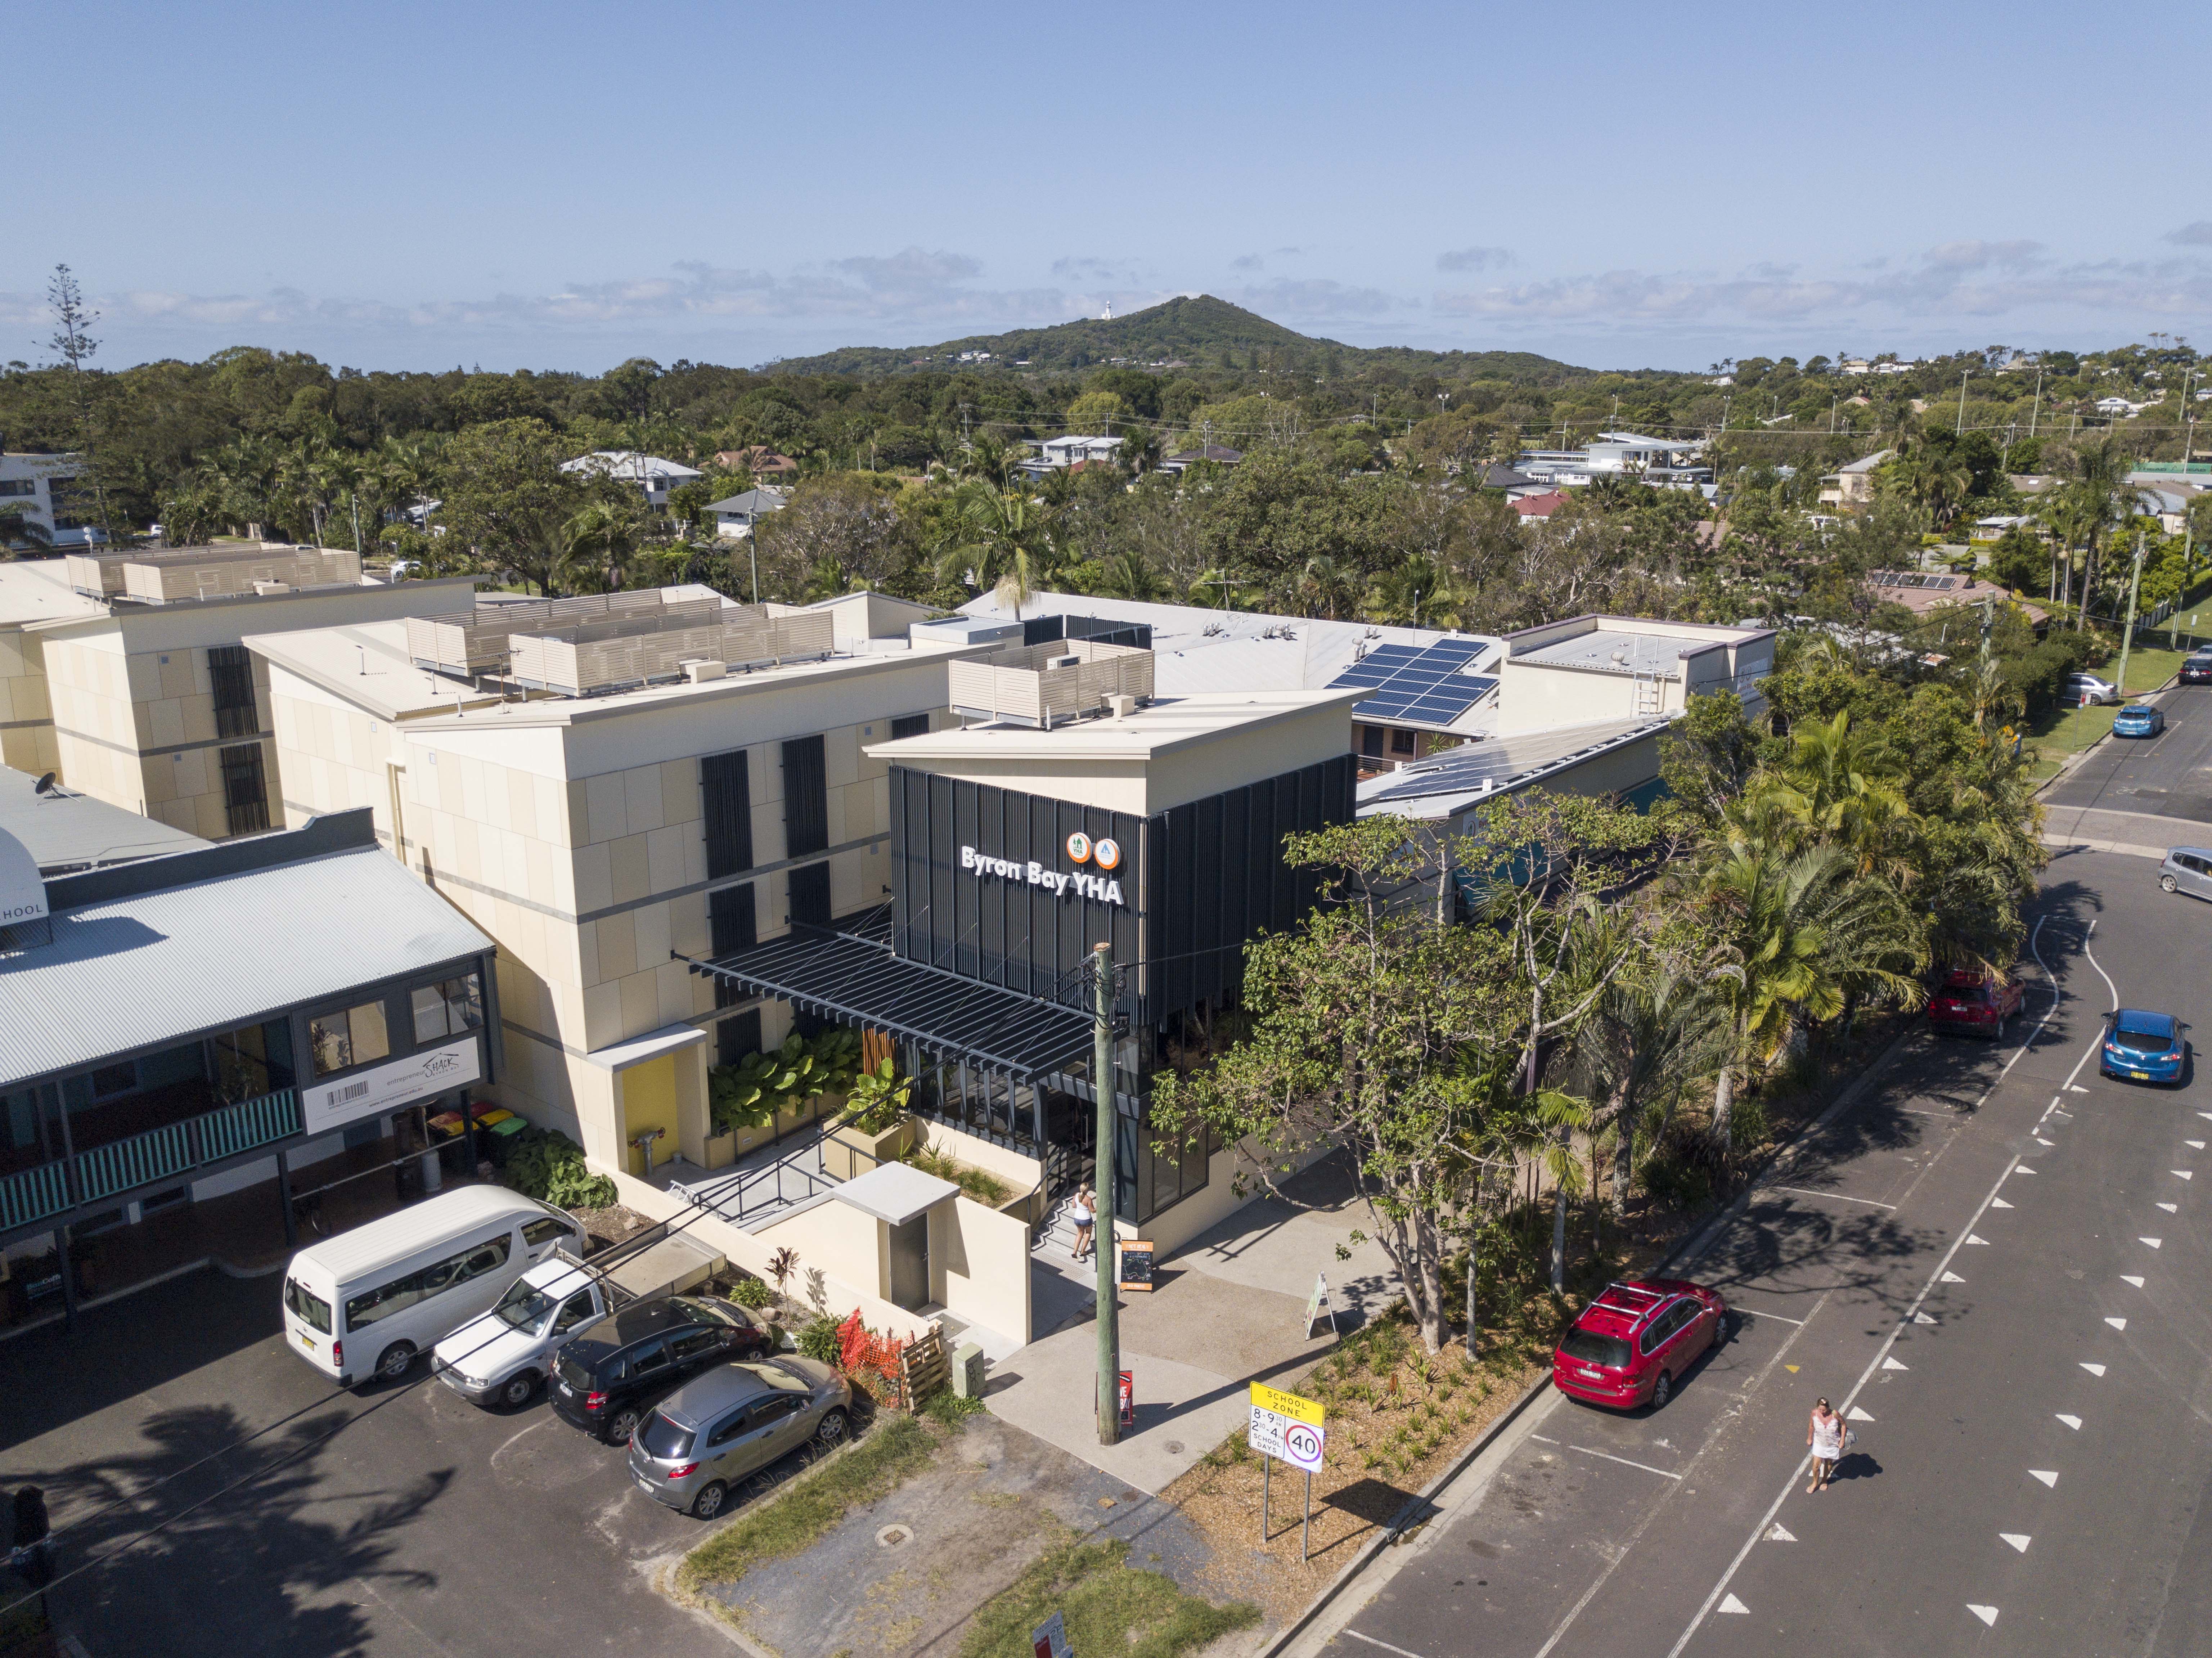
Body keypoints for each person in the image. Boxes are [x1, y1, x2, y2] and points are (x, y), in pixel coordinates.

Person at [1807, 1398, 1845, 1493]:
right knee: (1816, 1466)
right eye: (1820, 1410)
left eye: (1824, 1410)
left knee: (1829, 1463)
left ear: (1828, 1408)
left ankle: (1824, 1480)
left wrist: (1842, 1440)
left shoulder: (1835, 1414)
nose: (1822, 1412)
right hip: (1819, 1443)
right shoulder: (1814, 1413)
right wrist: (1810, 1438)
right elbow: (1811, 1426)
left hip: (1832, 1444)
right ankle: (1815, 1482)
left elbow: (1844, 1425)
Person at [1071, 1186, 1097, 1261]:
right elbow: (1092, 1211)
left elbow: (1074, 1206)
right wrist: (1098, 1208)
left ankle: (1075, 1252)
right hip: (1086, 1219)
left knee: (1080, 1233)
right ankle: (1083, 1251)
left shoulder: (1076, 1195)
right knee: (1088, 1233)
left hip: (1077, 1218)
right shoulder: (1089, 1199)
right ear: (1087, 1191)